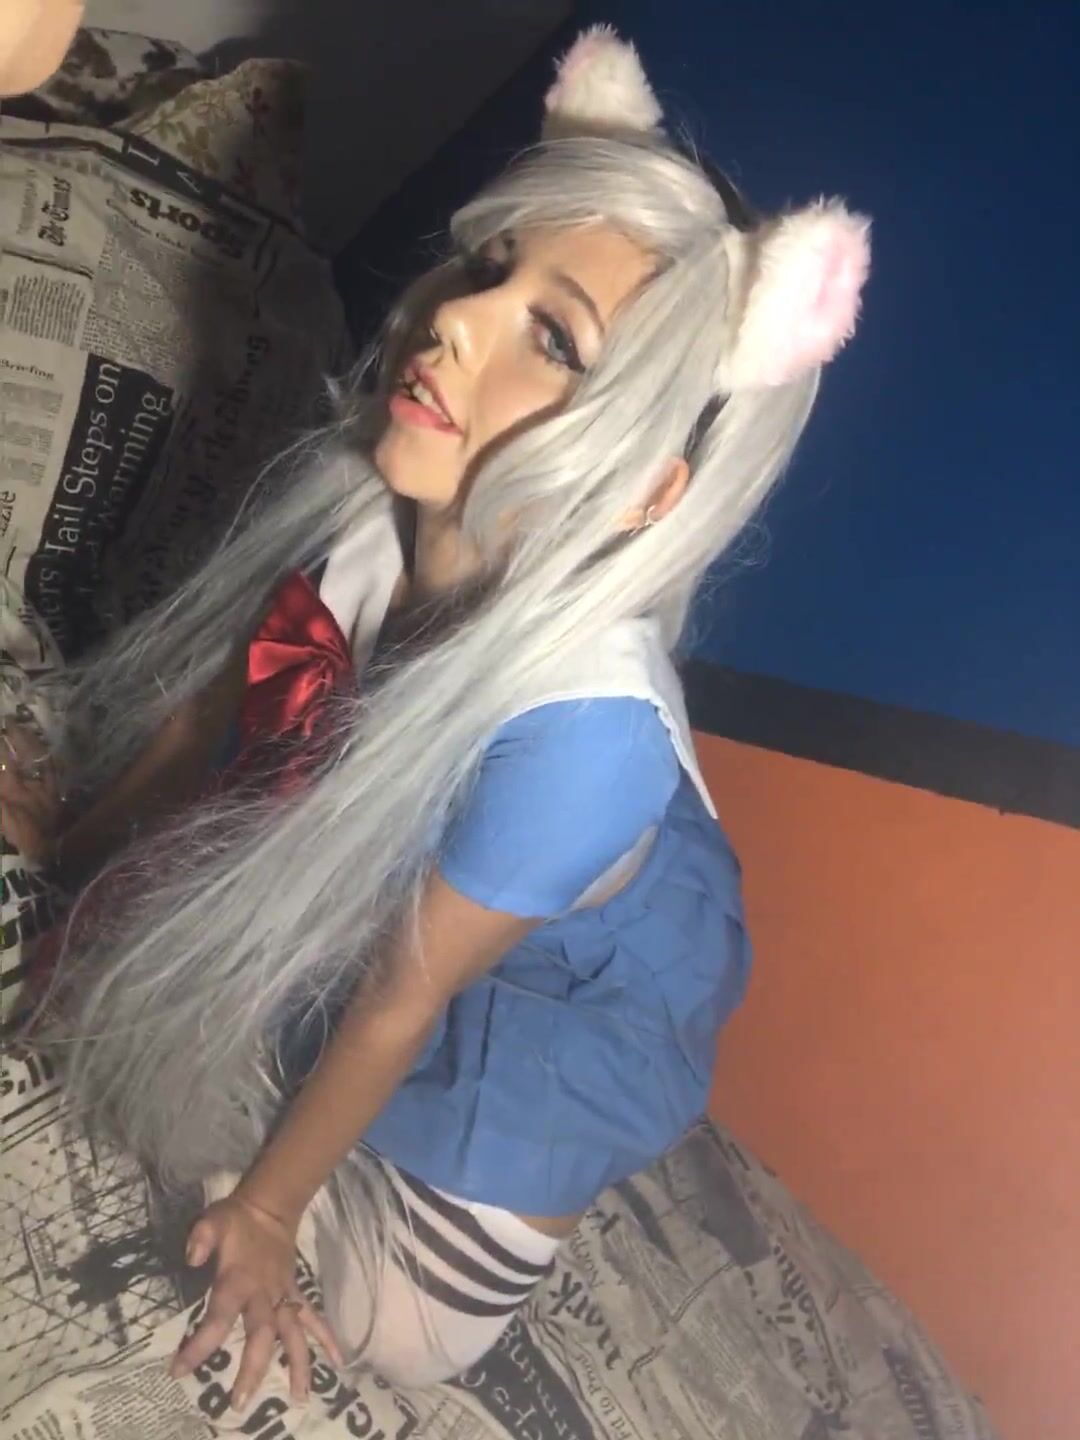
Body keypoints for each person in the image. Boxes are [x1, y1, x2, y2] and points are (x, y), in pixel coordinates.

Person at [0, 23, 870, 1413]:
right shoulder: (378, 515)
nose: (457, 320)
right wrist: (78, 869)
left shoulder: (588, 744)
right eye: (487, 268)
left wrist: (272, 1210)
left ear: (644, 486)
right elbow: (218, 719)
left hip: (572, 991)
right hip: (439, 879)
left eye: (554, 340)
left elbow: (405, 989)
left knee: (400, 1328)